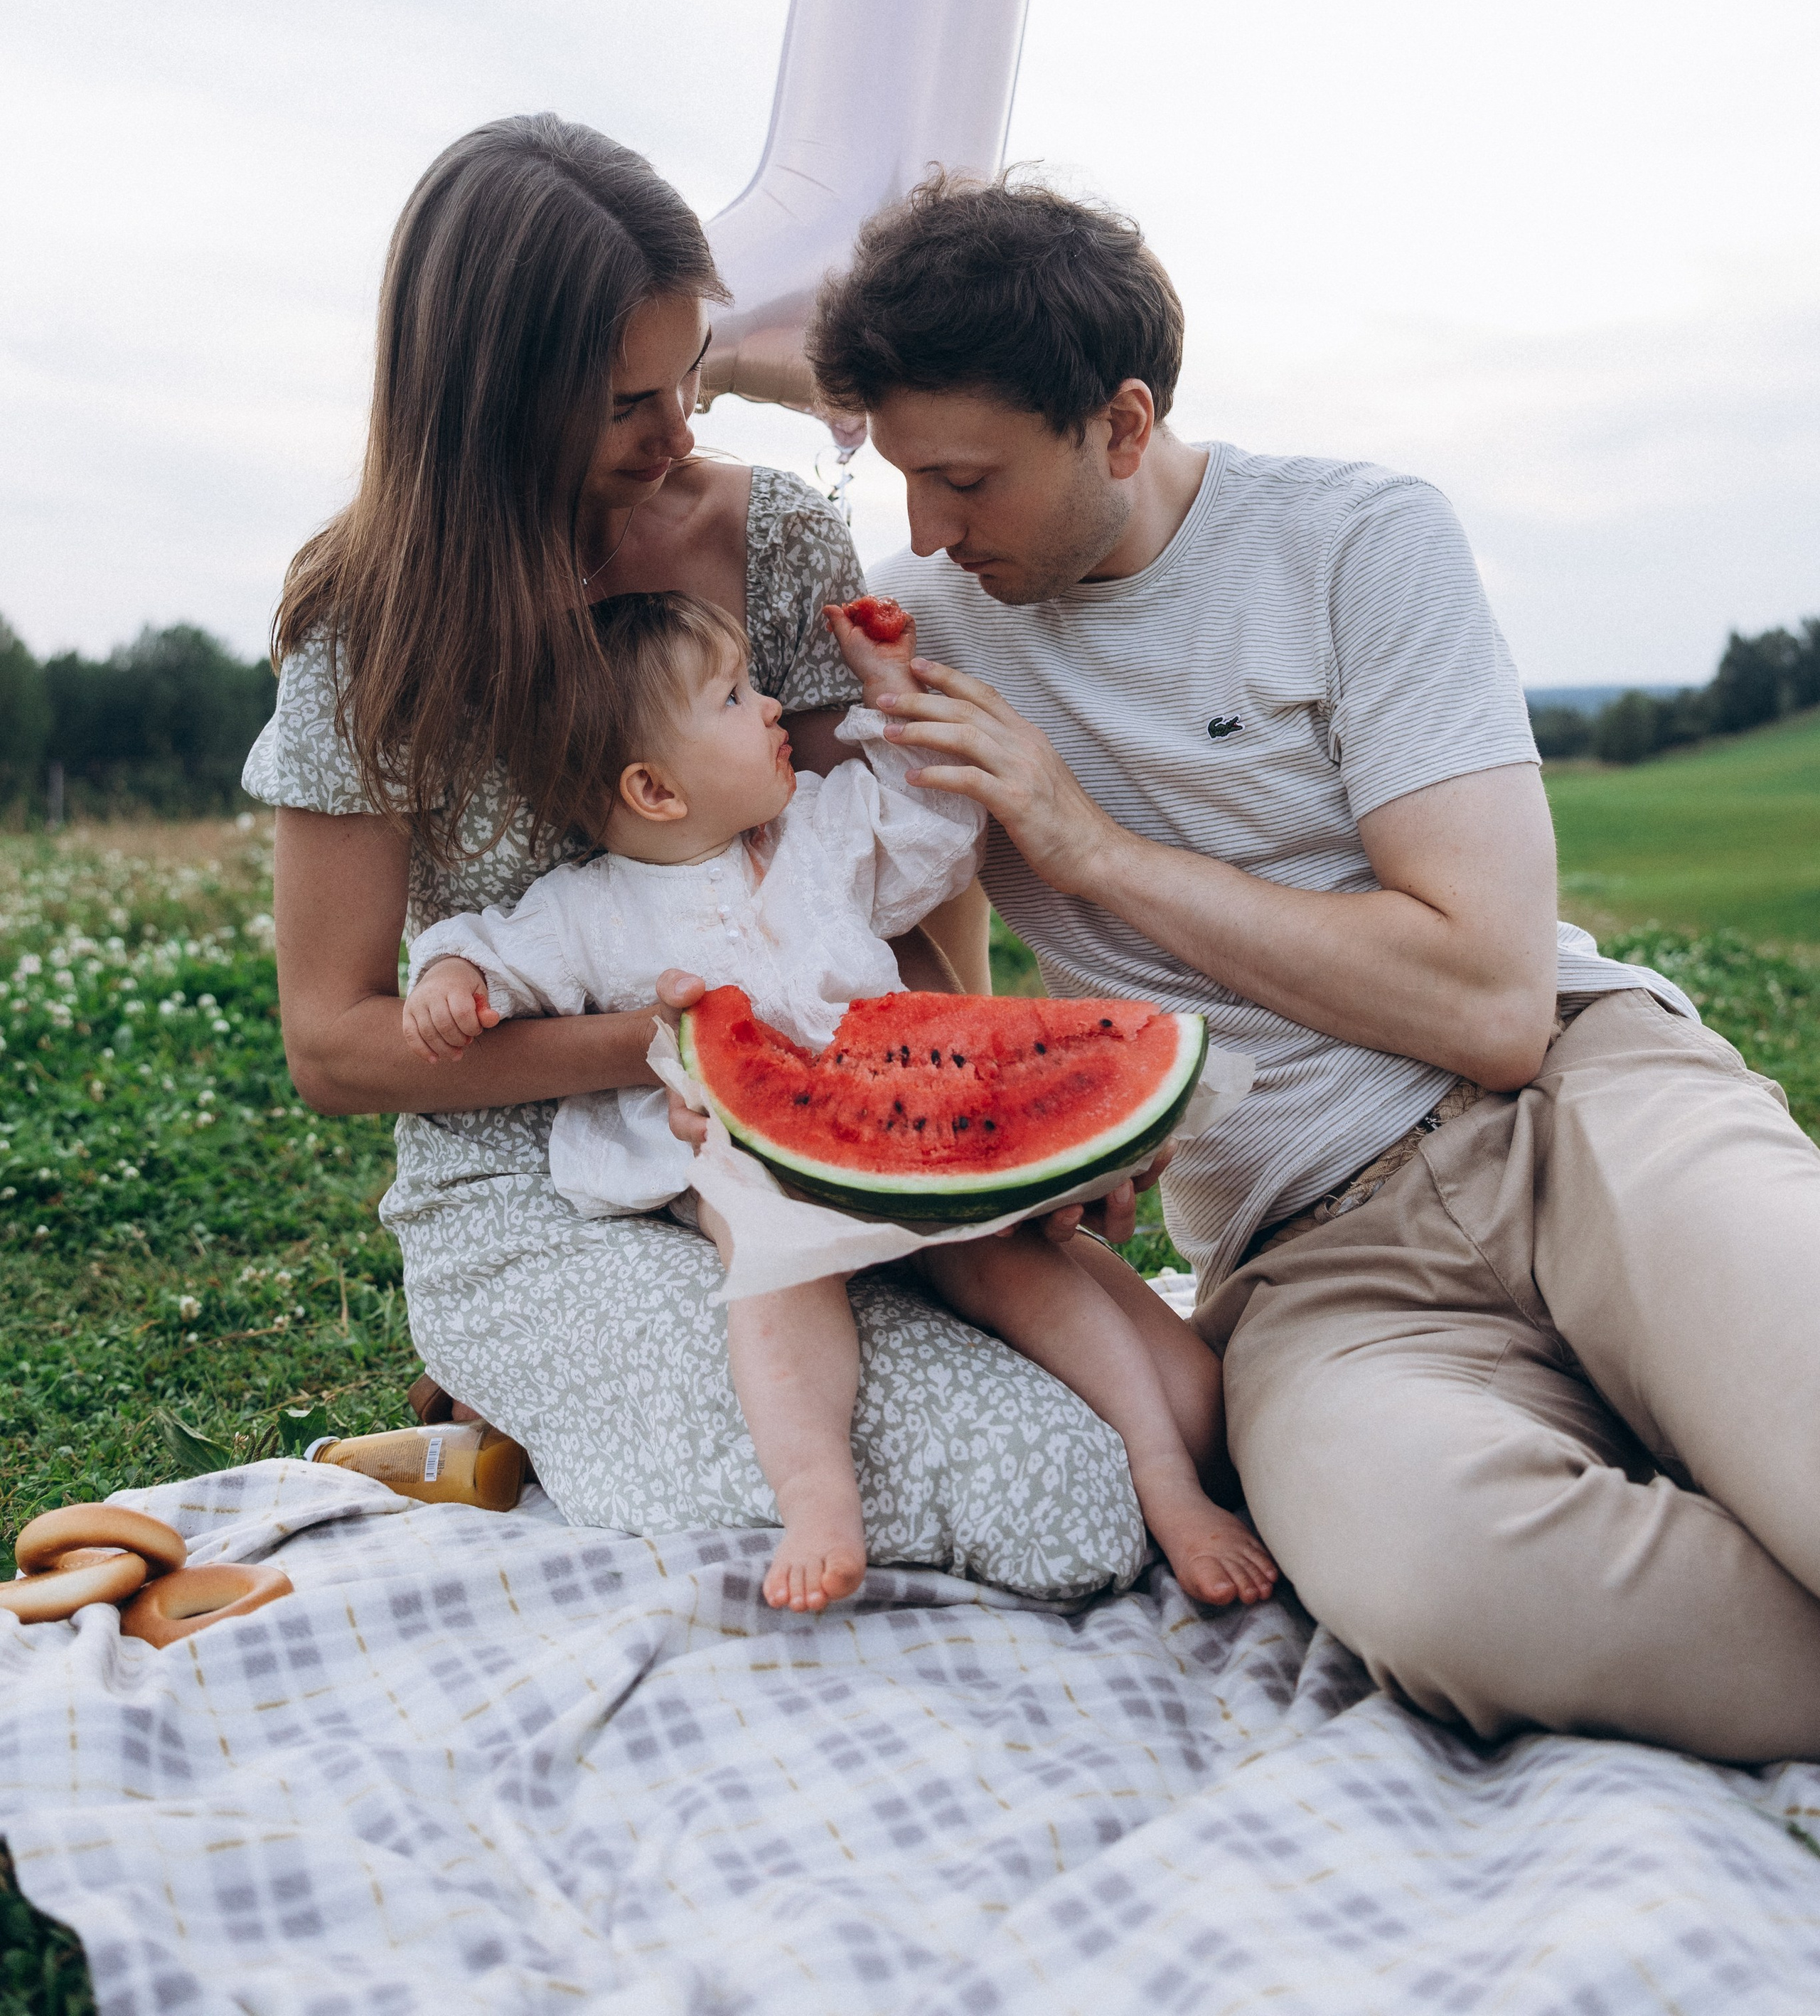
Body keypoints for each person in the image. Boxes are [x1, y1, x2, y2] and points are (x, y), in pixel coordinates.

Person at [803, 169, 1820, 1764]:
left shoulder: (1357, 538)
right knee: (1453, 1589)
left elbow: (1490, 1003)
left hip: (1580, 1114)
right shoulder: (913, 638)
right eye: (905, 477)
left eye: (967, 480)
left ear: (1120, 425)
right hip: (1305, 1256)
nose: (928, 530)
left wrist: (1089, 850)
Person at [240, 115, 1154, 1592]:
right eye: (625, 403)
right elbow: (333, 1045)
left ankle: (577, 1429)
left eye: (689, 374)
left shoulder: (774, 539)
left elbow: (875, 870)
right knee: (1057, 1488)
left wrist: (970, 1114)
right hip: (542, 1191)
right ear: (488, 400)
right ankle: (529, 1376)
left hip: (822, 1137)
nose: (678, 430)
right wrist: (677, 1043)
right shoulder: (367, 631)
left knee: (1162, 1410)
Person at [398, 589, 1275, 1614]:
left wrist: (889, 687)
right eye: (735, 698)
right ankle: (818, 1496)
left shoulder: (818, 829)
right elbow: (488, 949)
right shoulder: (586, 910)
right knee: (771, 1273)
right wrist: (450, 980)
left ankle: (1167, 1479)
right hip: (744, 1163)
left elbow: (934, 826)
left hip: (901, 1122)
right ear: (654, 788)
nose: (772, 706)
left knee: (1009, 1259)